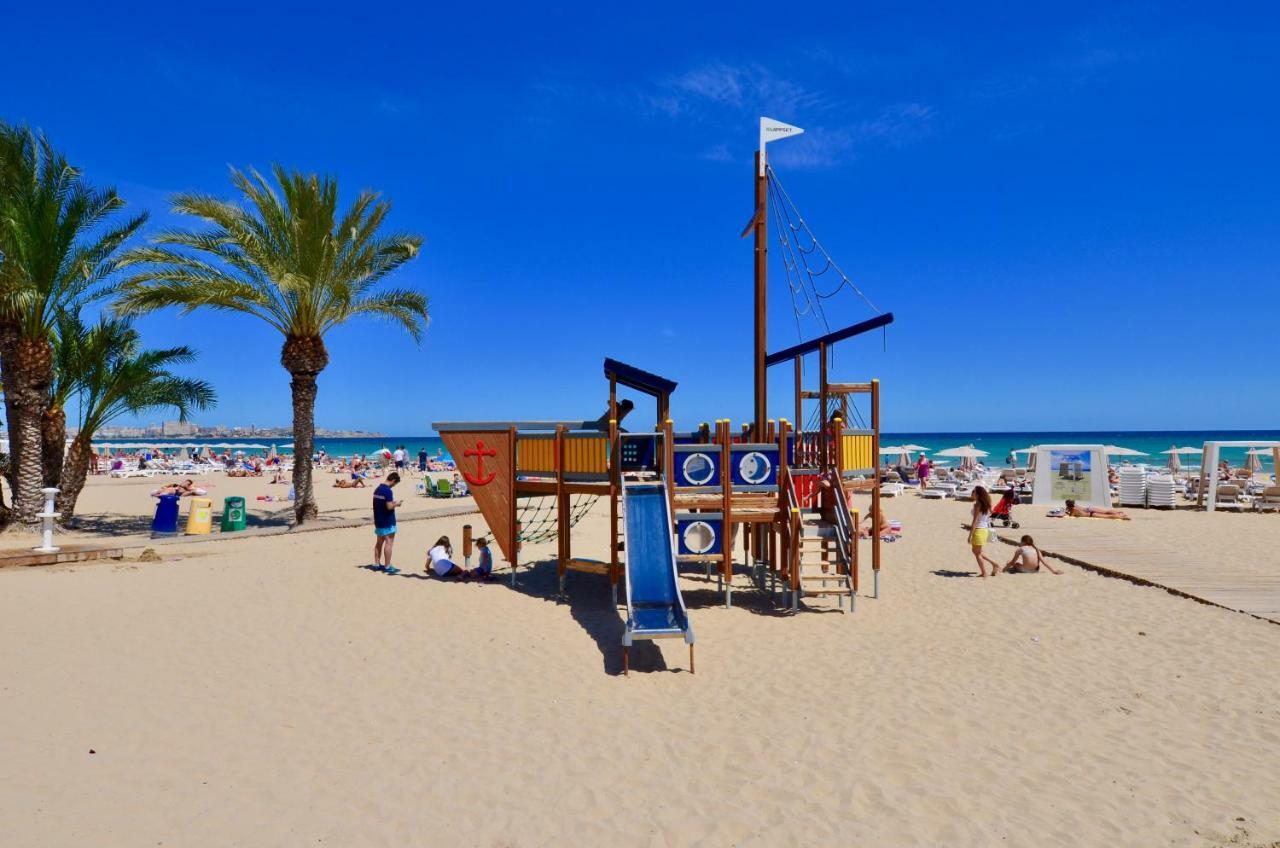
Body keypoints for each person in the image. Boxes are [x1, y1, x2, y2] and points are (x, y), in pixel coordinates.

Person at [969, 486, 1003, 577]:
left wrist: (970, 535)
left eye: (974, 492)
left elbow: (975, 521)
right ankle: (994, 564)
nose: (973, 493)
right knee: (977, 551)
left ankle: (984, 572)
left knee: (977, 553)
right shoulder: (986, 504)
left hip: (979, 530)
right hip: (985, 530)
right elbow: (991, 513)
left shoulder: (977, 505)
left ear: (978, 494)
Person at [372, 472, 402, 573]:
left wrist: (391, 503)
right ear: (393, 481)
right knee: (389, 543)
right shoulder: (387, 491)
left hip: (378, 519)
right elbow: (389, 507)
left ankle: (376, 564)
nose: (394, 486)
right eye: (395, 484)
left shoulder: (378, 489)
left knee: (379, 542)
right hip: (387, 521)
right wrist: (396, 504)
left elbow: (382, 504)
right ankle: (387, 566)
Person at [1063, 499, 1131, 520]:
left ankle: (1122, 517)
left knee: (1107, 516)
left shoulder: (1073, 510)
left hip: (1091, 514)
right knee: (1106, 511)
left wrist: (1067, 512)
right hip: (1089, 508)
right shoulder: (1075, 506)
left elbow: (1071, 516)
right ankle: (1119, 512)